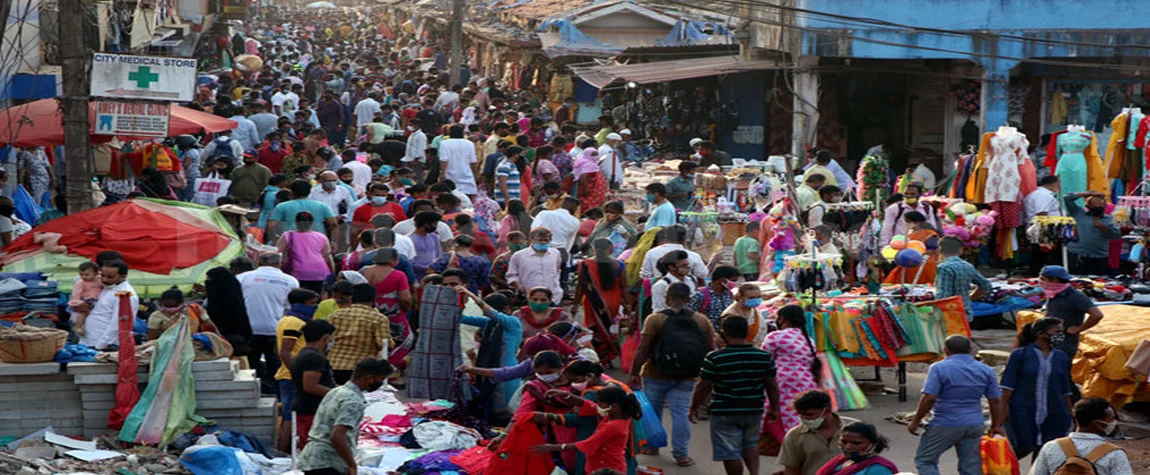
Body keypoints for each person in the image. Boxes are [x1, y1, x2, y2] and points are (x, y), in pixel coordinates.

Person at [629, 282, 716, 467]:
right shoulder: (701, 320)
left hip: (655, 373)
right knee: (680, 414)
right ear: (688, 299)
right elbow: (710, 349)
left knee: (653, 411)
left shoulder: (655, 319)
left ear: (667, 298)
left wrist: (634, 373)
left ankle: (652, 446)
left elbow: (643, 349)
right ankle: (682, 455)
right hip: (687, 376)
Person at [691, 316, 780, 475]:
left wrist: (694, 408)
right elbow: (772, 385)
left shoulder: (715, 358)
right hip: (754, 409)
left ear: (725, 333)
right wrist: (775, 408)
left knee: (729, 451)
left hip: (725, 410)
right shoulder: (764, 357)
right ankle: (754, 473)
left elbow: (703, 386)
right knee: (750, 444)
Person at [909, 335, 1005, 475]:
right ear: (971, 349)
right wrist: (995, 425)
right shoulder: (986, 370)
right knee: (971, 468)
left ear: (946, 350)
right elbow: (995, 400)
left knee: (925, 460)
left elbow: (929, 398)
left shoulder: (938, 368)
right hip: (975, 424)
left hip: (945, 422)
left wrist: (915, 421)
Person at [298, 357, 392, 475]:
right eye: (380, 379)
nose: (380, 383)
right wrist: (351, 465)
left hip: (312, 458)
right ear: (368, 378)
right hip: (328, 463)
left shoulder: (336, 391)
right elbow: (337, 436)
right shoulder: (353, 401)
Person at [1001, 317, 1074, 459]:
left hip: (1054, 410)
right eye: (1056, 332)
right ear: (1041, 334)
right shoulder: (1020, 355)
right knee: (1022, 446)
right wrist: (1001, 411)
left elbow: (1065, 387)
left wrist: (1071, 412)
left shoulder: (1061, 357)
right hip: (1023, 410)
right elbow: (1007, 385)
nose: (1061, 336)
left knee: (1046, 450)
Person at [531, 386, 640, 475]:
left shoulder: (614, 425)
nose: (599, 406)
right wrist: (567, 395)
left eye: (601, 404)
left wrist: (553, 447)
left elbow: (589, 443)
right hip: (600, 464)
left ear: (614, 406)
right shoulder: (615, 414)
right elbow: (589, 405)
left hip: (608, 467)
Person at [237, 253, 301, 392]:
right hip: (275, 329)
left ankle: (255, 391)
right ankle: (274, 392)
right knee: (274, 363)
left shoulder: (242, 278)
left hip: (249, 329)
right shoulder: (290, 281)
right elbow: (289, 307)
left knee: (252, 364)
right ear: (279, 263)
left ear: (258, 262)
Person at [457, 288, 523, 416]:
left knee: (507, 411)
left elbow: (494, 314)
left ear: (507, 309)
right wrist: (461, 302)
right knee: (489, 409)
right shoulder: (488, 323)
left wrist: (473, 296)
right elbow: (461, 318)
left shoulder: (512, 322)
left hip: (507, 371)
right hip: (489, 369)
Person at [1028, 398, 1133, 475]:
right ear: (1098, 423)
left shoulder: (1051, 447)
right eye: (1110, 419)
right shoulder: (1114, 454)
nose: (1114, 423)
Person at [273, 288, 320, 452]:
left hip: (287, 372)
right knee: (290, 417)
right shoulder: (295, 323)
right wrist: (297, 374)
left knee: (290, 415)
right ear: (302, 304)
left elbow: (277, 350)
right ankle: (282, 451)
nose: (315, 307)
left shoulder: (285, 319)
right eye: (312, 304)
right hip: (291, 375)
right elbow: (285, 351)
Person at [764, 305, 822, 431]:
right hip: (807, 382)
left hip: (782, 383)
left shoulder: (774, 337)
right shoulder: (809, 340)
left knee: (781, 418)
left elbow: (764, 360)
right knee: (800, 418)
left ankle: (788, 447)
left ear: (781, 319)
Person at [573, 238, 628, 363]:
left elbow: (580, 286)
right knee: (610, 330)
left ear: (593, 249)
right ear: (611, 249)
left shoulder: (585, 264)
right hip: (613, 303)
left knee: (596, 331)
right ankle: (613, 354)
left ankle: (601, 358)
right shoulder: (619, 264)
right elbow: (624, 286)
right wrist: (628, 304)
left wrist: (575, 304)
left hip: (593, 303)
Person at [327, 284, 393, 385]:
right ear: (373, 300)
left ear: (352, 298)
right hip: (361, 370)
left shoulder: (334, 315)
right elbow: (384, 344)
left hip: (333, 365)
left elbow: (326, 340)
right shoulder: (379, 318)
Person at [1039, 265, 1104, 359]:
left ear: (1054, 280)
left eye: (1043, 279)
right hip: (1049, 341)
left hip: (1063, 344)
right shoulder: (1054, 293)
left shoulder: (1075, 296)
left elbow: (1097, 315)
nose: (1040, 282)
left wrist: (1078, 329)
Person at [778, 390, 850, 475]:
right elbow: (791, 470)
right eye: (801, 415)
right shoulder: (795, 435)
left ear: (826, 411)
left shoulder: (855, 430)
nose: (804, 419)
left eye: (809, 415)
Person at [291, 319, 337, 450]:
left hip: (308, 408)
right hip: (311, 409)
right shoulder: (314, 357)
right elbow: (310, 386)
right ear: (325, 337)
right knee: (314, 447)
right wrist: (338, 394)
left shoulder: (304, 354)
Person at [77, 260, 138, 351]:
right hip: (88, 341)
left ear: (123, 276)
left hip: (104, 345)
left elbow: (118, 324)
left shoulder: (126, 295)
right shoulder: (105, 287)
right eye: (102, 275)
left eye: (110, 277)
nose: (104, 279)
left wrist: (101, 345)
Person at [934, 237, 992, 322]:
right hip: (965, 313)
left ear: (939, 250)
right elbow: (985, 285)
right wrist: (970, 298)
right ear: (961, 251)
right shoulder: (968, 266)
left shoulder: (944, 268)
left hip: (950, 315)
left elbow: (943, 296)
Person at [1064, 191, 1120, 275]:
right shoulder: (1079, 213)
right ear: (1088, 206)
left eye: (1100, 203)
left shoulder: (1110, 219)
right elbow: (1067, 198)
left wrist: (1103, 228)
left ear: (1104, 205)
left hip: (1098, 257)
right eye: (1094, 203)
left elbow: (1116, 236)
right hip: (1076, 254)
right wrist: (1088, 194)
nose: (1097, 206)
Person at [277, 211, 334, 293]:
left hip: (298, 272)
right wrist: (332, 273)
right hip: (319, 272)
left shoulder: (288, 236)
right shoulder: (321, 237)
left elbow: (277, 253)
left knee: (298, 299)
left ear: (296, 222)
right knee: (316, 299)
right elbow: (327, 257)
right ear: (311, 223)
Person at [205, 266, 254, 358]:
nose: (207, 283)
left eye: (209, 280)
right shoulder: (235, 298)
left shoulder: (218, 301)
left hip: (229, 340)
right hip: (239, 337)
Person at [817, 422, 898, 475]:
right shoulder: (840, 462)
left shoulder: (880, 469)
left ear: (873, 444)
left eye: (856, 443)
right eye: (844, 442)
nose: (848, 447)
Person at [507, 228, 564, 304]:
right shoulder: (519, 256)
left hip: (554, 297)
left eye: (546, 240)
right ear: (531, 240)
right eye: (540, 240)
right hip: (531, 298)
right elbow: (511, 275)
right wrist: (518, 286)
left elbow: (557, 271)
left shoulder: (555, 254)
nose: (543, 243)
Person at [268, 179, 338, 240]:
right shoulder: (322, 206)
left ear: (291, 192)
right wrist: (333, 241)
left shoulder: (282, 206)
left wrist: (276, 238)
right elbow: (334, 224)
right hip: (316, 240)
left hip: (291, 241)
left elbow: (271, 226)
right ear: (309, 192)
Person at [882, 210, 939, 285]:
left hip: (923, 265)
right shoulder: (911, 234)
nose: (905, 224)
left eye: (907, 221)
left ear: (916, 223)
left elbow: (933, 249)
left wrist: (917, 254)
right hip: (909, 264)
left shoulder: (929, 234)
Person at [639, 224, 708, 281]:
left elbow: (645, 276)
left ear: (666, 237)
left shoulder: (652, 253)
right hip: (684, 292)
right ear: (684, 238)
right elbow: (702, 274)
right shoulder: (693, 256)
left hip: (655, 290)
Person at [1024, 176, 1062, 271]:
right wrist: (1046, 238)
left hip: (1041, 229)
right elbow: (1042, 215)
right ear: (1054, 184)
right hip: (1042, 230)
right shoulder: (1043, 195)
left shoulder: (1039, 194)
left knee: (1041, 257)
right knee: (1041, 257)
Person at [147, 287, 214, 340]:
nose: (170, 308)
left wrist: (218, 336)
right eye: (167, 305)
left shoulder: (194, 309)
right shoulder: (156, 316)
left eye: (174, 306)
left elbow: (210, 324)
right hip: (168, 347)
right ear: (161, 303)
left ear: (181, 303)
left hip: (195, 343)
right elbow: (152, 338)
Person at [439, 125, 479, 196]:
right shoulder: (469, 144)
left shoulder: (444, 143)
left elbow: (444, 160)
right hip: (466, 176)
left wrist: (442, 173)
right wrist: (475, 174)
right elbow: (473, 161)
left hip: (450, 176)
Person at [68, 261, 103, 338]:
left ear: (96, 273)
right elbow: (76, 294)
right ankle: (78, 327)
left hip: (98, 301)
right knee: (82, 313)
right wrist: (78, 302)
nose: (84, 276)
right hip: (86, 300)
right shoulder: (80, 282)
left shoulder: (99, 280)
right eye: (81, 274)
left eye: (87, 275)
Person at [408, 211, 444, 280]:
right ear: (426, 224)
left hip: (433, 275)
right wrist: (426, 268)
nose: (436, 226)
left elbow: (438, 255)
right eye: (435, 224)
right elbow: (411, 262)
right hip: (418, 277)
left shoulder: (434, 237)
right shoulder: (410, 239)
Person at [572, 146, 608, 212]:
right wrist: (585, 189)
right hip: (590, 191)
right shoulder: (588, 163)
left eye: (596, 154)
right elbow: (584, 176)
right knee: (589, 208)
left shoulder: (588, 162)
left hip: (593, 190)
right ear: (587, 155)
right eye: (593, 154)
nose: (596, 156)